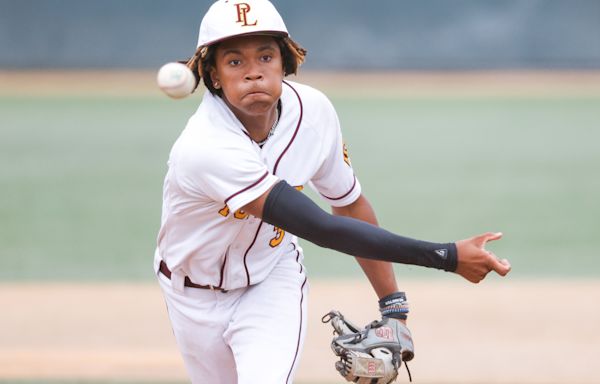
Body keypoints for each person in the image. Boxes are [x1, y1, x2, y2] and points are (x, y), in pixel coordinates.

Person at [153, 1, 511, 383]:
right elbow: (322, 227)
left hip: (270, 281)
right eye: (235, 62)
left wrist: (393, 304)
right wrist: (447, 256)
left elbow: (348, 205)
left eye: (266, 56)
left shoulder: (313, 113)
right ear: (214, 75)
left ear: (285, 62)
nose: (254, 73)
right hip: (190, 294)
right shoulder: (205, 146)